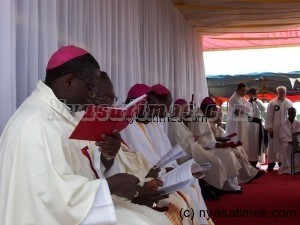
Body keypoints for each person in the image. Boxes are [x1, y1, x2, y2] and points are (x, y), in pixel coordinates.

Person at [0, 45, 168, 225]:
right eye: (90, 88)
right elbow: (48, 198)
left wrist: (106, 156)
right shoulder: (36, 123)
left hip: (80, 209)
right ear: (69, 82)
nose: (90, 97)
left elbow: (83, 170)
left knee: (156, 219)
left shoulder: (64, 114)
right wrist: (109, 186)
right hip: (52, 217)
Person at [121, 84, 214, 225]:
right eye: (151, 108)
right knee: (186, 196)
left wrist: (174, 168)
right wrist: (165, 171)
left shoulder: (148, 121)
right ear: (138, 105)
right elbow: (139, 158)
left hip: (159, 172)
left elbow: (163, 152)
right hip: (144, 177)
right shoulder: (126, 125)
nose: (154, 113)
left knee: (193, 184)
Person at [265, 86, 293, 171]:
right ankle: (271, 163)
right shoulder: (272, 103)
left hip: (285, 129)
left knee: (283, 146)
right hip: (275, 128)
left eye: (284, 92)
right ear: (278, 93)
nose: (282, 94)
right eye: (280, 92)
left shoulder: (289, 103)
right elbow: (269, 116)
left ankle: (282, 163)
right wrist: (269, 128)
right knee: (273, 145)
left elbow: (291, 116)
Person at [226, 83, 252, 157]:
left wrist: (242, 110)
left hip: (242, 123)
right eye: (243, 90)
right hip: (235, 124)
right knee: (236, 141)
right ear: (238, 90)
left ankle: (244, 161)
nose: (244, 92)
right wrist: (243, 110)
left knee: (243, 141)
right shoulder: (234, 98)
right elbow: (245, 109)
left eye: (245, 91)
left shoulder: (243, 98)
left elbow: (250, 109)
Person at [247, 88, 266, 168]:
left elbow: (263, 109)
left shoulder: (258, 102)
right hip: (249, 125)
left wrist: (256, 100)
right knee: (250, 143)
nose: (254, 95)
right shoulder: (246, 102)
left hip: (257, 125)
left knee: (257, 143)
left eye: (255, 93)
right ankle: (250, 161)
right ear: (249, 94)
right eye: (252, 93)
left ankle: (256, 161)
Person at [278, 107, 300, 174]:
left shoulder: (298, 123)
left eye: (294, 112)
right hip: (286, 142)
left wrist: (295, 141)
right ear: (288, 113)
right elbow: (281, 137)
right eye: (291, 112)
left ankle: (298, 167)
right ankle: (288, 168)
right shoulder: (283, 124)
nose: (293, 114)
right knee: (286, 147)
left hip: (296, 142)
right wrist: (289, 141)